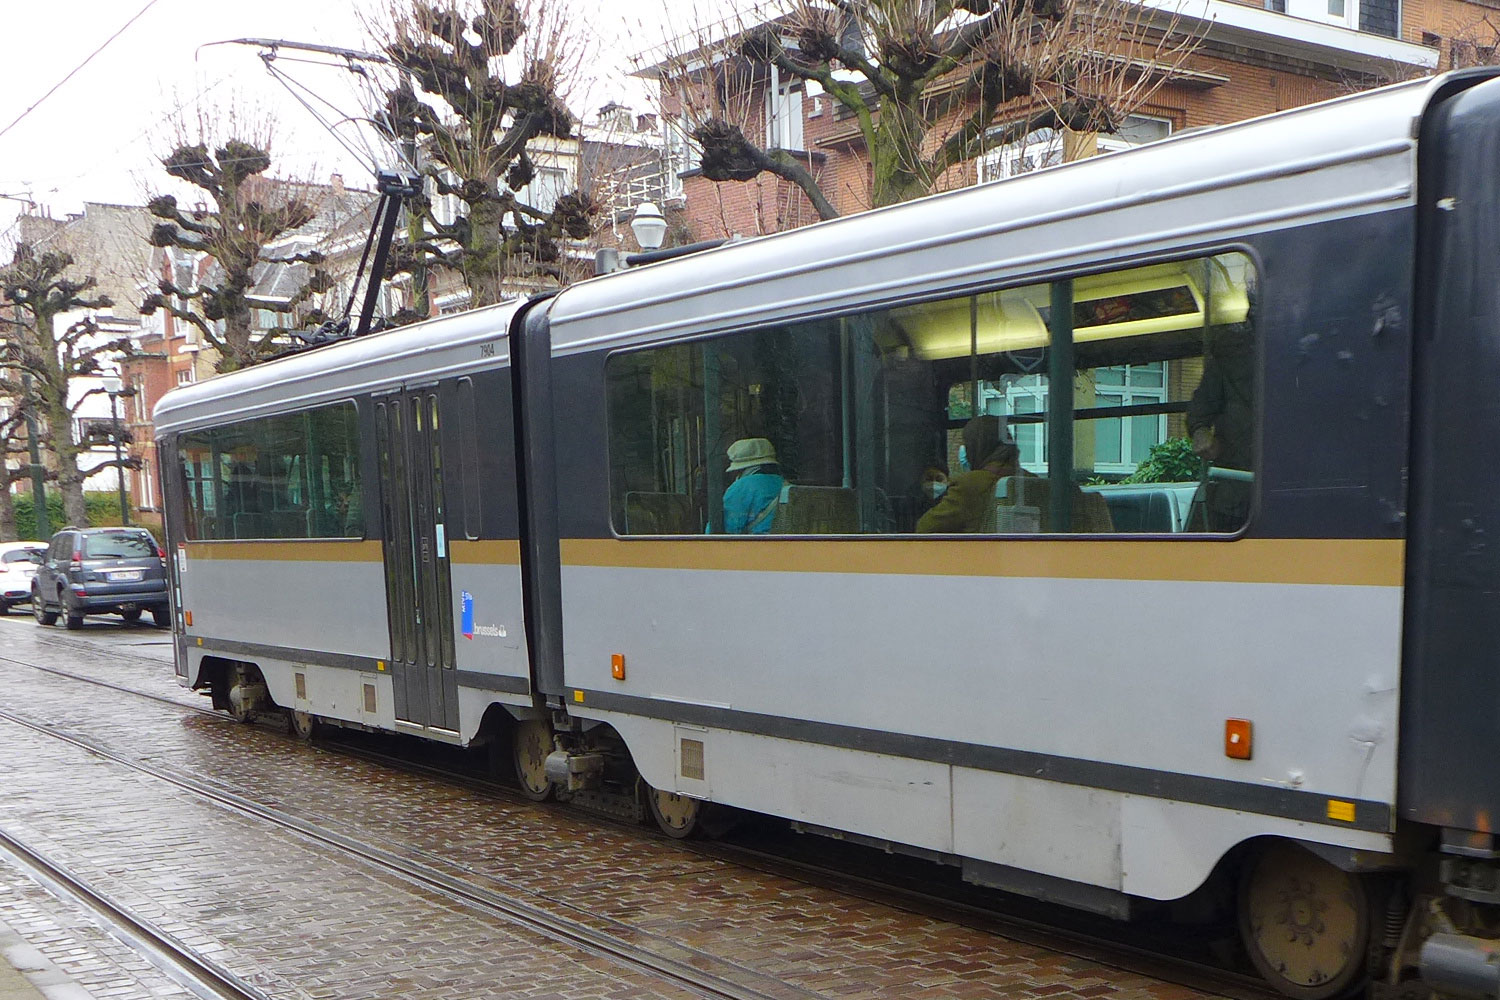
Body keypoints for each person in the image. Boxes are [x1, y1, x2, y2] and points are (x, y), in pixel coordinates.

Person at [1186, 323, 1254, 530]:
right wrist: (1201, 432)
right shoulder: (1231, 356)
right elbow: (1199, 411)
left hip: (1286, 491)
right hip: (1234, 491)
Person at [916, 416, 1020, 533]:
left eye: (967, 444)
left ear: (976, 446)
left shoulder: (970, 484)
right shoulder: (1030, 480)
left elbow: (925, 528)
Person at [722, 438, 786, 534]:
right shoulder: (784, 484)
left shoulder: (741, 488)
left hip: (755, 547)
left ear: (741, 469)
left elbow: (724, 529)